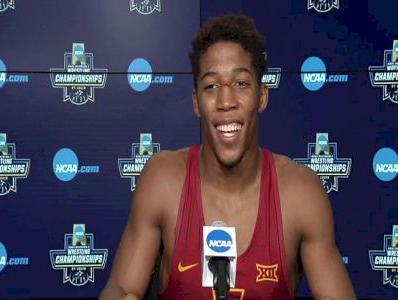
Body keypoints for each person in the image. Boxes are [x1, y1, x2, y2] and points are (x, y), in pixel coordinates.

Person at [99, 13, 357, 300]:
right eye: (211, 86)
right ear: (197, 103)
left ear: (262, 96)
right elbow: (120, 287)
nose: (226, 102)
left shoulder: (300, 192)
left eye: (241, 83)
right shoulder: (163, 180)